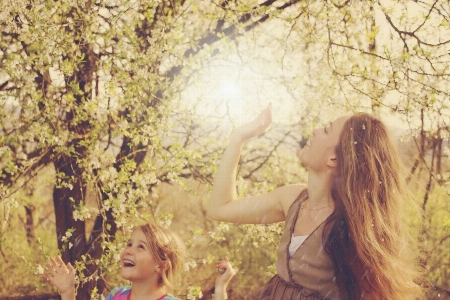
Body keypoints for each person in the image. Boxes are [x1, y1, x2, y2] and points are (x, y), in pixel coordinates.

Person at [207, 104, 423, 299]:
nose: (315, 131)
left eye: (327, 129)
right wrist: (238, 138)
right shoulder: (292, 199)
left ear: (334, 159)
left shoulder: (353, 228)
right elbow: (220, 208)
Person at [45, 223, 235, 300]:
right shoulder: (117, 295)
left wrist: (220, 289)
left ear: (160, 265)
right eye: (129, 244)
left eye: (140, 247)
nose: (128, 250)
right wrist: (68, 292)